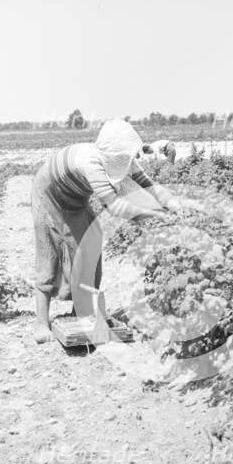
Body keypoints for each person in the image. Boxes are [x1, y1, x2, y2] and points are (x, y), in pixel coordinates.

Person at [31, 119, 181, 344]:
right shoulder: (91, 164)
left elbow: (148, 185)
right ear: (114, 155)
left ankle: (79, 311)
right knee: (50, 252)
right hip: (49, 195)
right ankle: (41, 324)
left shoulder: (123, 159)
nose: (126, 162)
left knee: (90, 242)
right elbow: (114, 206)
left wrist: (172, 203)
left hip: (74, 198)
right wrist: (155, 214)